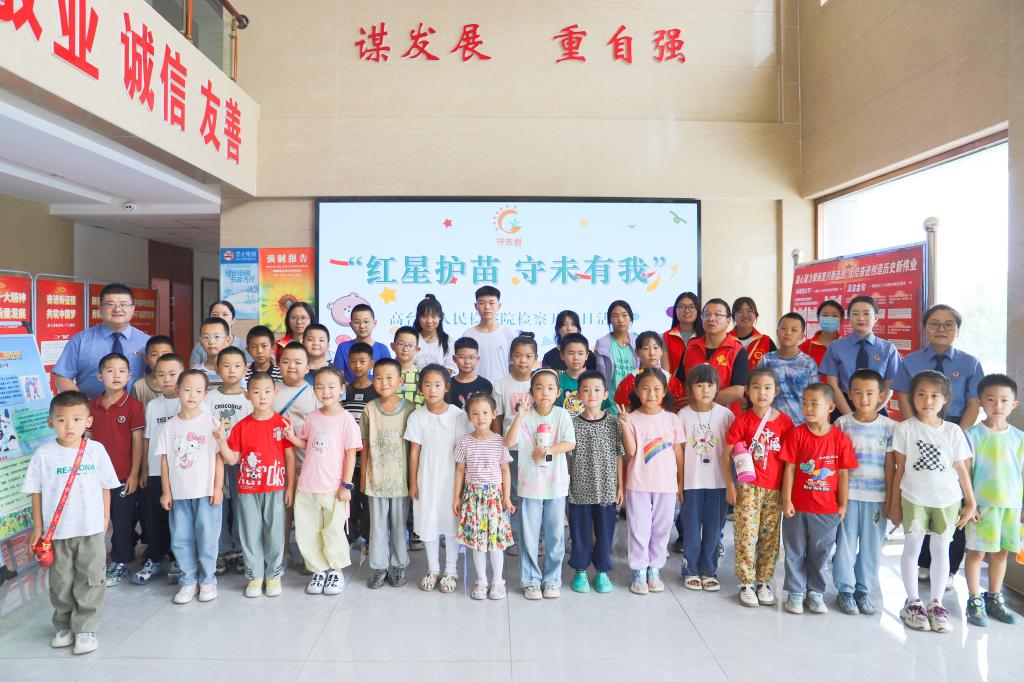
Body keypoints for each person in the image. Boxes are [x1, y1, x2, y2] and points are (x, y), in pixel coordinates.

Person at [23, 391, 120, 655]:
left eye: (77, 419)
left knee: (91, 578)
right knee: (61, 580)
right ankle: (63, 625)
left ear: (88, 421)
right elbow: (35, 492)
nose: (69, 426)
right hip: (58, 533)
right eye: (62, 420)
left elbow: (106, 486)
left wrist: (105, 518)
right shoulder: (44, 455)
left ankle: (86, 627)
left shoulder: (96, 451)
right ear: (50, 422)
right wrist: (38, 528)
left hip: (90, 528)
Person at [888, 370, 977, 634]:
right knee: (912, 548)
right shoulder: (904, 428)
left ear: (946, 399)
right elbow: (899, 469)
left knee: (941, 550)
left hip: (947, 501)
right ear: (912, 397)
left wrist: (970, 502)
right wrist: (894, 504)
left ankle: (936, 604)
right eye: (921, 394)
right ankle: (913, 602)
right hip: (914, 498)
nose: (928, 401)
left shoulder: (953, 431)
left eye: (935, 396)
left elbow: (961, 469)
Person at [780, 383, 857, 615]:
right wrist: (786, 500)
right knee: (794, 550)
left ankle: (815, 592)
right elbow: (789, 469)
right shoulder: (796, 435)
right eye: (805, 403)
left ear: (830, 407)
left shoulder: (840, 440)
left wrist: (842, 504)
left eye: (814, 404)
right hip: (797, 507)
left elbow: (843, 474)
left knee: (821, 553)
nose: (808, 408)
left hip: (827, 510)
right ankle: (795, 592)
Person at [285, 366, 362, 596]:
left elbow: (351, 454)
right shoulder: (312, 417)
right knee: (307, 531)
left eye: (331, 387)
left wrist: (346, 485)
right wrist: (292, 438)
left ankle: (336, 571)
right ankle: (318, 570)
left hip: (333, 488)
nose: (325, 392)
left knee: (333, 531)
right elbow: (307, 444)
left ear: (342, 389)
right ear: (314, 390)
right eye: (319, 387)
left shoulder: (346, 420)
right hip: (307, 485)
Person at [221, 371, 295, 598]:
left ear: (275, 393)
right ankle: (255, 576)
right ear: (247, 395)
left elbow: (290, 456)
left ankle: (273, 575)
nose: (262, 396)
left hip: (275, 487)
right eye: (256, 391)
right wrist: (220, 441)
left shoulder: (282, 423)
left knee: (275, 532)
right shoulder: (241, 426)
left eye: (266, 391)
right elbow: (232, 459)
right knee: (250, 532)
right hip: (247, 489)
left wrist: (290, 487)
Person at [724, 367, 794, 607]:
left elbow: (790, 462)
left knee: (770, 538)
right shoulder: (742, 421)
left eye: (767, 388)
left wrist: (787, 493)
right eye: (756, 387)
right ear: (747, 391)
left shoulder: (785, 422)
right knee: (746, 535)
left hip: (774, 489)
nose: (761, 393)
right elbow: (726, 455)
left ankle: (763, 582)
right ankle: (746, 583)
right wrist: (730, 485)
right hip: (747, 488)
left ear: (776, 391)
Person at [504, 368, 576, 600]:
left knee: (555, 536)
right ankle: (531, 581)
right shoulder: (526, 416)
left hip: (556, 486)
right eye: (539, 387)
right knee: (529, 536)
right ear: (531, 392)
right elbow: (508, 442)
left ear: (558, 392)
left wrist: (547, 450)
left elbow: (570, 443)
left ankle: (552, 580)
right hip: (530, 487)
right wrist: (520, 416)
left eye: (550, 388)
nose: (545, 392)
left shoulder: (562, 415)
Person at [832, 369, 896, 616]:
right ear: (849, 394)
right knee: (845, 544)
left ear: (881, 395)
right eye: (858, 393)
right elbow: (836, 465)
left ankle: (863, 590)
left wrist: (891, 500)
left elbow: (890, 466)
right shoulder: (842, 424)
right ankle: (845, 590)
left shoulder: (890, 427)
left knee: (872, 546)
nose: (864, 398)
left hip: (877, 498)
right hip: (847, 497)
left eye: (870, 393)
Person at [157, 370, 224, 604]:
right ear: (178, 391)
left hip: (206, 493)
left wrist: (218, 488)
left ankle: (208, 580)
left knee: (208, 537)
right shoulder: (170, 426)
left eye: (198, 391)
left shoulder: (211, 422)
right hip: (179, 494)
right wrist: (166, 491)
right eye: (187, 389)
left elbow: (218, 458)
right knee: (181, 538)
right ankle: (188, 580)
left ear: (205, 394)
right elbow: (165, 460)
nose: (192, 395)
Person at [406, 365, 472, 592]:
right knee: (428, 521)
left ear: (446, 387)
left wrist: (462, 486)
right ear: (420, 389)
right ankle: (433, 569)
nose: (432, 390)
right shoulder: (417, 416)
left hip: (451, 477)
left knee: (451, 523)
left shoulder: (458, 415)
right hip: (427, 477)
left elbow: (463, 451)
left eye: (437, 385)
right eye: (427, 385)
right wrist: (413, 482)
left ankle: (451, 571)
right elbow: (414, 451)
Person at [964, 374, 1023, 626]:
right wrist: (969, 504)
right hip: (982, 506)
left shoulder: (1019, 437)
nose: (998, 405)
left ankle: (994, 598)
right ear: (980, 402)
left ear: (1014, 404)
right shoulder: (972, 435)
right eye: (991, 399)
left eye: (1004, 400)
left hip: (1011, 507)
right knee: (976, 553)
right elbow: (965, 473)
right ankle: (974, 600)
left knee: (1001, 553)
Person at [621, 369, 683, 595]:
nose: (651, 394)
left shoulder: (672, 419)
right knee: (639, 528)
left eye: (657, 389)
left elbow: (678, 453)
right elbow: (630, 453)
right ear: (637, 391)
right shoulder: (632, 418)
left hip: (666, 486)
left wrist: (681, 482)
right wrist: (624, 425)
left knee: (662, 528)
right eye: (645, 389)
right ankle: (639, 569)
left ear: (664, 391)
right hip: (638, 484)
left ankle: (654, 568)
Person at [88, 353, 144, 588]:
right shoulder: (91, 405)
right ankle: (99, 558)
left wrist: (134, 474)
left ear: (129, 376)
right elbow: (87, 440)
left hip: (122, 475)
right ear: (100, 376)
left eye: (122, 371)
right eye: (110, 371)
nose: (116, 375)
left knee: (122, 521)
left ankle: (120, 561)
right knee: (99, 520)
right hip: (96, 478)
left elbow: (138, 442)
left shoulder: (134, 406)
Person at [133, 353, 189, 586]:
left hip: (183, 472)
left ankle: (178, 560)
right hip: (156, 471)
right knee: (156, 517)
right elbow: (147, 440)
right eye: (161, 375)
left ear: (183, 374)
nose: (167, 380)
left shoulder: (189, 402)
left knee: (180, 519)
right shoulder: (153, 406)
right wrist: (144, 470)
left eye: (173, 374)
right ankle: (155, 559)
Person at [453, 394, 516, 600]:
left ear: (494, 414)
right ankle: (481, 581)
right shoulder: (464, 442)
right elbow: (460, 470)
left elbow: (505, 471)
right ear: (469, 416)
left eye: (485, 412)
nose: (480, 417)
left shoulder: (499, 442)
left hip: (495, 498)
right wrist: (457, 497)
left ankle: (498, 582)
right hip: (473, 498)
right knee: (478, 544)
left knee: (496, 543)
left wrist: (507, 498)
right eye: (475, 413)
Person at [567, 370, 625, 594]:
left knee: (605, 533)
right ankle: (580, 570)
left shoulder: (613, 422)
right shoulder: (572, 423)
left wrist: (620, 486)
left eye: (597, 389)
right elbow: (568, 458)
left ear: (605, 394)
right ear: (579, 394)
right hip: (579, 490)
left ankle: (602, 571)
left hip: (606, 489)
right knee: (579, 532)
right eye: (586, 389)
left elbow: (619, 455)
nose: (592, 394)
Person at [678, 364, 734, 592]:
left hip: (718, 483)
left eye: (709, 385)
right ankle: (690, 569)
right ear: (690, 388)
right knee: (691, 529)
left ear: (717, 387)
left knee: (713, 530)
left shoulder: (726, 415)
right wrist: (679, 482)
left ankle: (709, 570)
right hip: (691, 483)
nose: (705, 390)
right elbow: (679, 452)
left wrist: (732, 484)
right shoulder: (683, 415)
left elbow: (733, 451)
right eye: (699, 385)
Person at [361, 358, 415, 589]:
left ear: (400, 381)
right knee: (378, 527)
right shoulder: (369, 409)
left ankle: (399, 566)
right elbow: (365, 445)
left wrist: (413, 480)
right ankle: (379, 567)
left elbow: (415, 449)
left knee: (399, 526)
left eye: (389, 378)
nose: (384, 382)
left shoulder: (410, 410)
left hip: (401, 482)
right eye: (379, 378)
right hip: (375, 480)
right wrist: (363, 477)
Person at [53, 283, 150, 397]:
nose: (117, 309)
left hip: (136, 406)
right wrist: (82, 404)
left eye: (123, 304)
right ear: (100, 309)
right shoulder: (80, 341)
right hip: (91, 406)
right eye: (110, 304)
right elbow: (62, 377)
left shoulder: (146, 342)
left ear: (132, 309)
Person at [894, 304, 984, 427]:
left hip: (956, 424)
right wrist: (916, 430)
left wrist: (959, 434)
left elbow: (974, 404)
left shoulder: (971, 363)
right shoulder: (909, 361)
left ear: (958, 331)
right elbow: (904, 400)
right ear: (924, 329)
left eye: (949, 325)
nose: (941, 329)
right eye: (934, 324)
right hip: (919, 423)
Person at [205, 346, 253, 576]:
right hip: (216, 461)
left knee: (242, 506)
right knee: (218, 504)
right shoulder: (209, 397)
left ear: (245, 369)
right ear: (217, 369)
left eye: (237, 366)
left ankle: (241, 548)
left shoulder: (249, 397)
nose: (232, 370)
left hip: (243, 461)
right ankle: (222, 549)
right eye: (226, 365)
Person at [492, 333, 538, 552]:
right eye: (518, 355)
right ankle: (515, 538)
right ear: (511, 357)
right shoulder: (501, 384)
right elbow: (498, 419)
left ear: (535, 358)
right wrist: (497, 448)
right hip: (511, 449)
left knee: (535, 494)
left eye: (528, 356)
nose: (523, 360)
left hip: (535, 449)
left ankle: (536, 539)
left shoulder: (539, 382)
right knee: (513, 495)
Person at [275, 342, 320, 562]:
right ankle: (281, 554)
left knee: (305, 513)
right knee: (280, 512)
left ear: (308, 367)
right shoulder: (270, 390)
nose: (291, 366)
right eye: (286, 361)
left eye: (297, 362)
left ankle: (307, 556)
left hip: (306, 464)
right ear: (278, 364)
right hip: (275, 465)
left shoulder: (315, 393)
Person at [821, 295, 901, 417]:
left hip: (877, 409)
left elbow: (889, 387)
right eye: (855, 314)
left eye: (866, 313)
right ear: (849, 318)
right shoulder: (836, 347)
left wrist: (870, 413)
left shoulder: (888, 349)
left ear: (876, 318)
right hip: (843, 408)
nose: (861, 318)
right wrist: (850, 416)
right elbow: (832, 385)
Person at [675, 299, 750, 413]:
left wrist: (700, 399)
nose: (711, 318)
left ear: (728, 320)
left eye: (718, 315)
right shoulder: (691, 346)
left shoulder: (737, 350)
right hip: (692, 415)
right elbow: (680, 382)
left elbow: (738, 391)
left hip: (725, 416)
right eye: (707, 314)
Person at [342, 342, 377, 544]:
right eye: (353, 361)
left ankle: (369, 537)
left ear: (371, 364)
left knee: (368, 500)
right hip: (347, 458)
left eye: (362, 361)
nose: (357, 366)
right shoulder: (344, 390)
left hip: (369, 457)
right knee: (350, 499)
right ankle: (350, 536)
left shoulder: (376, 391)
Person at [758, 313, 819, 425]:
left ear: (802, 336)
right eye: (783, 328)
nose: (788, 333)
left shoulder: (808, 363)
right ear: (777, 332)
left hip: (800, 424)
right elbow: (757, 392)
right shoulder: (766, 361)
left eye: (794, 330)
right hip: (769, 424)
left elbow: (815, 396)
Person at [460, 286, 520, 383]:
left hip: (502, 388)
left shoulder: (508, 333)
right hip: (476, 388)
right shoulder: (468, 335)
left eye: (491, 303)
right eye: (482, 303)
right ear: (476, 306)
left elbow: (514, 365)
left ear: (499, 306)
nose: (487, 307)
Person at [614, 332, 685, 409]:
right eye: (646, 348)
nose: (652, 353)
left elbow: (678, 409)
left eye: (655, 348)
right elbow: (625, 411)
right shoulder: (629, 381)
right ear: (637, 352)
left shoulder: (672, 382)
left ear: (661, 351)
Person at [333, 304, 392, 384]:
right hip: (349, 391)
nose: (362, 326)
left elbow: (388, 376)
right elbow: (337, 377)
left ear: (374, 323)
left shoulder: (382, 349)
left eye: (366, 321)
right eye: (357, 322)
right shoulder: (343, 347)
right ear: (351, 325)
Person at [556, 333, 611, 416]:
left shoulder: (596, 380)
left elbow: (604, 409)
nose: (576, 358)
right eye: (571, 353)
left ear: (587, 355)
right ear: (562, 355)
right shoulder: (557, 382)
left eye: (580, 353)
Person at [594, 300, 639, 399]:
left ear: (630, 318)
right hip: (610, 400)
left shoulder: (638, 342)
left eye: (624, 315)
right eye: (615, 316)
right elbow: (600, 374)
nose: (620, 320)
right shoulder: (602, 343)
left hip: (635, 400)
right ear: (609, 320)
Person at [189, 301, 251, 367]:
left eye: (225, 314)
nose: (220, 318)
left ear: (233, 320)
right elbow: (194, 371)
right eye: (215, 314)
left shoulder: (245, 346)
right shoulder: (199, 347)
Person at [730, 297, 777, 370]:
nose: (745, 315)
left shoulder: (766, 341)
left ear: (756, 315)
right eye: (740, 311)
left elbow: (777, 368)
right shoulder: (724, 340)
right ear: (733, 316)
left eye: (749, 311)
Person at [799, 300, 844, 378]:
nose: (829, 319)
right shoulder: (805, 347)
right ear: (818, 318)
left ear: (841, 318)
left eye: (834, 316)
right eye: (825, 315)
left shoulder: (847, 346)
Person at [446, 337, 493, 409]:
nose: (467, 362)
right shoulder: (448, 385)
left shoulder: (486, 385)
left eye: (471, 357)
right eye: (462, 357)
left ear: (477, 359)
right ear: (454, 359)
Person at [662, 292, 702, 374]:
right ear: (675, 310)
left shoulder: (705, 336)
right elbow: (666, 372)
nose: (687, 310)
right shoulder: (666, 336)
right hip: (674, 382)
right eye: (682, 307)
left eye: (691, 307)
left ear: (698, 310)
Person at [412, 294, 455, 372]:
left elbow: (449, 369)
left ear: (440, 317)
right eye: (425, 316)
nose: (429, 321)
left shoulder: (449, 341)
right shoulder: (411, 339)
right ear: (418, 317)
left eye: (434, 316)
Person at [132, 335, 175, 408]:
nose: (160, 359)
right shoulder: (138, 386)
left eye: (165, 354)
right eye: (154, 355)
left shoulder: (181, 383)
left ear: (173, 357)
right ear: (146, 359)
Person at [191, 317, 229, 388]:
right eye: (206, 337)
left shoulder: (234, 371)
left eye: (216, 337)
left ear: (227, 341)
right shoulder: (194, 373)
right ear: (201, 342)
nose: (211, 342)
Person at [392, 326, 424, 407]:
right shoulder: (386, 374)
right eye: (401, 344)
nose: (405, 349)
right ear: (393, 346)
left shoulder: (424, 375)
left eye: (410, 345)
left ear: (417, 349)